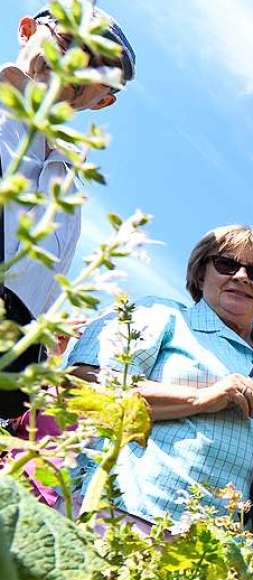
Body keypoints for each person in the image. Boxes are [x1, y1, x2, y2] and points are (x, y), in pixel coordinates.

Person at [66, 225, 253, 529]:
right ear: (200, 273)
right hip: (127, 519)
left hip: (223, 552)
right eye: (227, 264)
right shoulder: (160, 316)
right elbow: (82, 387)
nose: (242, 276)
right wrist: (201, 398)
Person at [0, 7, 135, 416]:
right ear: (27, 30)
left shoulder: (69, 192)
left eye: (102, 68)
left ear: (103, 100)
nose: (79, 63)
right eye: (70, 40)